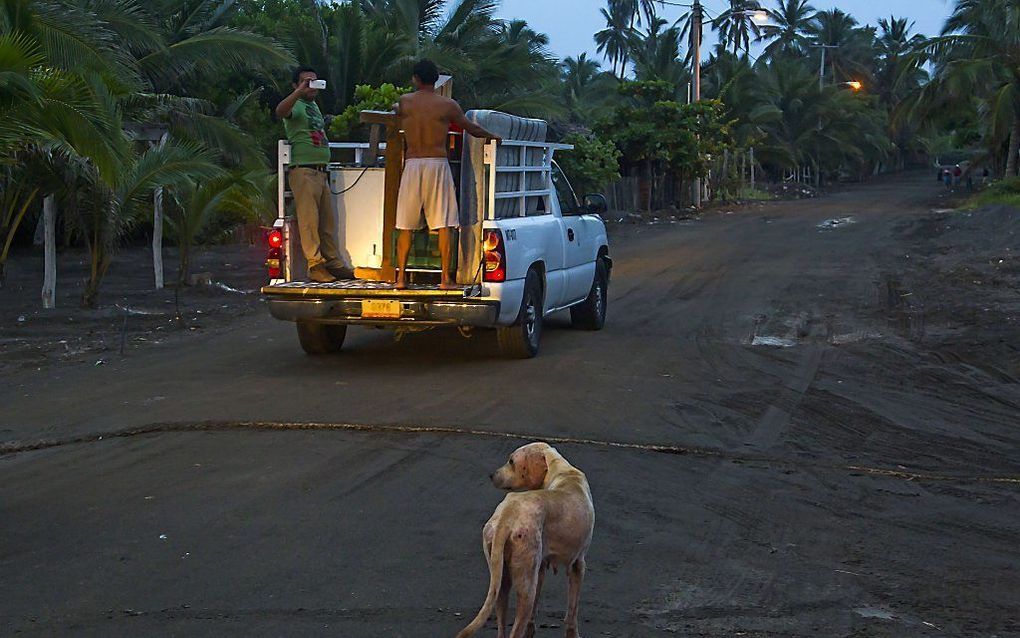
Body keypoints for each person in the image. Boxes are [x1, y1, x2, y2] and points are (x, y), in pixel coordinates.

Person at [392, 59, 501, 290]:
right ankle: (444, 280)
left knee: (405, 224)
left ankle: (400, 279)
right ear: (435, 80)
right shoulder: (447, 105)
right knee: (444, 223)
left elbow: (393, 116)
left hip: (412, 164)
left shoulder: (404, 103)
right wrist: (494, 137)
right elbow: (472, 128)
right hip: (437, 163)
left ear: (415, 79)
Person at [276, 67, 351, 283]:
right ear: (295, 84)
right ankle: (315, 265)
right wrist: (298, 92)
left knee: (327, 222)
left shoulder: (314, 106)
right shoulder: (295, 104)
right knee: (309, 221)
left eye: (313, 82)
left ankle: (333, 262)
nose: (310, 86)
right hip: (304, 169)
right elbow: (280, 111)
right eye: (305, 81)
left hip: (320, 170)